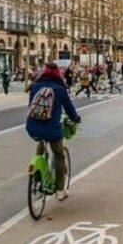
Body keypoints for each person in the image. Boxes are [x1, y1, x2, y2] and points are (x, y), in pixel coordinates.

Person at [26, 63, 82, 201]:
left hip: (32, 127)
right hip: (52, 128)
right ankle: (60, 189)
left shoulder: (35, 87)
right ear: (58, 74)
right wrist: (76, 119)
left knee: (41, 141)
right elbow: (69, 109)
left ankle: (37, 173)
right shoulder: (60, 89)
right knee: (59, 155)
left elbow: (31, 107)